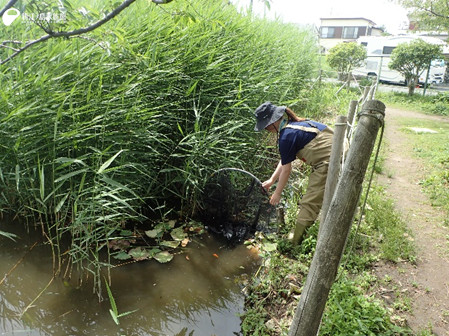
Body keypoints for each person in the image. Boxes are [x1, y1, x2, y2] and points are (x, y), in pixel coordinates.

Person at [254, 101, 333, 244]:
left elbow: (286, 169)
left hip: (329, 161)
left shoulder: (286, 136)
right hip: (341, 150)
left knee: (310, 201)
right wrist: (272, 180)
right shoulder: (295, 124)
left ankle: (294, 242)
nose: (265, 129)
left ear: (271, 123)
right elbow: (286, 159)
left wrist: (277, 193)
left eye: (265, 126)